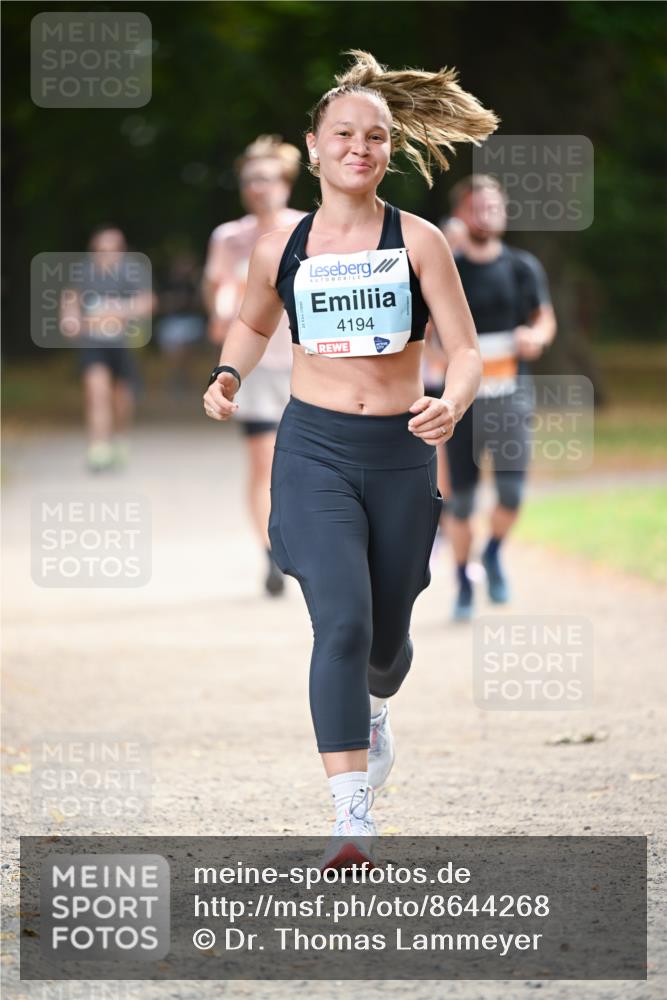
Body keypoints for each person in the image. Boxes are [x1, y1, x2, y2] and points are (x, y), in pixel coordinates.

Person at [203, 51, 496, 865]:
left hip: (401, 453)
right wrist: (227, 372)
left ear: (388, 150)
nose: (359, 148)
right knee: (341, 622)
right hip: (314, 449)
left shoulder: (420, 241)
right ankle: (350, 815)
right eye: (343, 134)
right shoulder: (281, 244)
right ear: (316, 145)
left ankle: (373, 712)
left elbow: (464, 350)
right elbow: (255, 323)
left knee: (386, 646)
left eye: (375, 136)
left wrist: (452, 398)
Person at [443, 175, 557, 620]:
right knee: (462, 502)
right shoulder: (448, 269)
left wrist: (536, 336)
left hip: (510, 396)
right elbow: (430, 330)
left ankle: (491, 553)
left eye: (494, 207)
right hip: (460, 403)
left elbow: (544, 319)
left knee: (510, 493)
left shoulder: (522, 266)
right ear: (462, 214)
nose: (487, 214)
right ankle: (463, 582)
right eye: (478, 207)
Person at [203, 136, 305, 596]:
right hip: (258, 369)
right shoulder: (229, 237)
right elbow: (219, 289)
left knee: (309, 465)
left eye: (266, 178)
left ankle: (310, 544)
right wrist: (222, 307)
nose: (258, 188)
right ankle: (270, 553)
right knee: (263, 464)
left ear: (285, 182)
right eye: (250, 180)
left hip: (309, 363)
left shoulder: (310, 229)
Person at [59, 225, 153, 472]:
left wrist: (120, 311)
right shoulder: (84, 273)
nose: (106, 254)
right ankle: (98, 448)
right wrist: (70, 320)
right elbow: (71, 300)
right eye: (101, 250)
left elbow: (147, 302)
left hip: (123, 343)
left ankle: (119, 438)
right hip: (93, 342)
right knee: (96, 391)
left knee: (121, 397)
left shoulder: (133, 272)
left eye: (112, 249)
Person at [155, 250, 206, 395]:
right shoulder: (168, 282)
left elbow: (199, 304)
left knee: (185, 341)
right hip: (172, 321)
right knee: (172, 341)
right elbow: (162, 304)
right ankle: (178, 376)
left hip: (190, 321)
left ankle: (181, 376)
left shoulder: (194, 282)